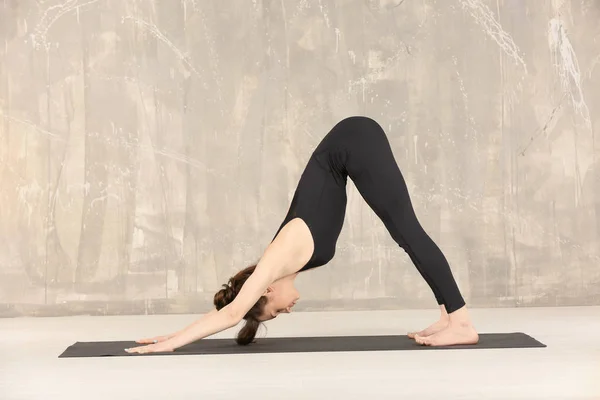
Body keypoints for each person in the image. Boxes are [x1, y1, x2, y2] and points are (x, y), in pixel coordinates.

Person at [125, 116, 479, 354]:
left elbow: (232, 314)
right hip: (349, 148)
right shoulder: (288, 263)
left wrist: (170, 343)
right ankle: (449, 316)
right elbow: (235, 312)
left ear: (265, 290)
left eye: (275, 312)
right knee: (405, 233)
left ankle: (461, 322)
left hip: (354, 141)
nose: (287, 312)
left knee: (408, 232)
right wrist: (172, 336)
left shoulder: (278, 256)